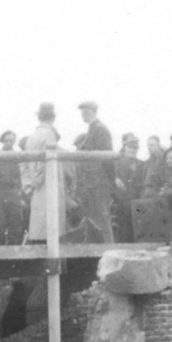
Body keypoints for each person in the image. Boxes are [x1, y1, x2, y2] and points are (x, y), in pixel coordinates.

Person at [72, 101, 115, 242]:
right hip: (92, 182)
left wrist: (111, 179)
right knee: (94, 219)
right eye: (82, 113)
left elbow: (107, 157)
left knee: (102, 219)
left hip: (99, 182)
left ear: (92, 112)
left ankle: (108, 248)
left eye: (85, 112)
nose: (83, 116)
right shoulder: (93, 129)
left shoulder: (99, 129)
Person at [22, 103, 63, 243]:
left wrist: (29, 185)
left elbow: (23, 163)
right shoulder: (49, 134)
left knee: (39, 226)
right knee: (51, 227)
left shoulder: (31, 136)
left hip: (36, 190)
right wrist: (37, 181)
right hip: (47, 186)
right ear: (53, 117)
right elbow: (44, 162)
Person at [0, 129, 26, 246]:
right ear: (2, 141)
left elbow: (22, 177)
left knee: (16, 226)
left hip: (13, 193)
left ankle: (13, 258)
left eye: (11, 141)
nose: (9, 143)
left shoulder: (18, 156)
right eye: (6, 140)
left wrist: (21, 196)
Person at [111, 133, 144, 241]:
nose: (132, 150)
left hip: (137, 201)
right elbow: (110, 177)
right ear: (125, 147)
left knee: (138, 224)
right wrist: (114, 179)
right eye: (129, 147)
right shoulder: (116, 163)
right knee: (124, 228)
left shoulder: (142, 164)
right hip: (122, 201)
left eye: (135, 148)